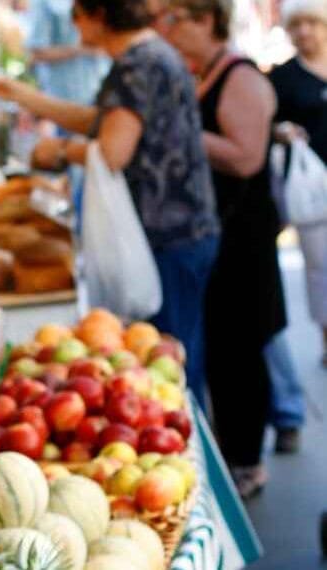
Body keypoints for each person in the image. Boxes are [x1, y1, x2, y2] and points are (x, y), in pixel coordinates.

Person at [0, 0, 220, 404]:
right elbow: (104, 119)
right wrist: (26, 97)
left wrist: (57, 150)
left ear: (101, 13)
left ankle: (193, 451)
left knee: (167, 364)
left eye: (78, 11)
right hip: (182, 228)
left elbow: (112, 148)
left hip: (165, 235)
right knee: (174, 354)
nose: (73, 22)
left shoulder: (137, 65)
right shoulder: (149, 54)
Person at [157, 0, 287, 497]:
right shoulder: (206, 73)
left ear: (206, 21)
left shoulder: (242, 77)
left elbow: (246, 157)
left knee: (241, 348)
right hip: (215, 234)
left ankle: (248, 461)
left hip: (243, 237)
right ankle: (229, 452)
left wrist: (182, 128)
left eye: (175, 20)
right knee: (221, 346)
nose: (168, 30)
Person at [270, 0, 327, 368]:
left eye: (313, 23)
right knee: (321, 266)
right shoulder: (283, 78)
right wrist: (281, 133)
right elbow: (264, 123)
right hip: (312, 187)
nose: (305, 31)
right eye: (298, 25)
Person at [27, 0, 110, 105]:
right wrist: (84, 50)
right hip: (64, 95)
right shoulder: (46, 4)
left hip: (99, 89)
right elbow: (37, 52)